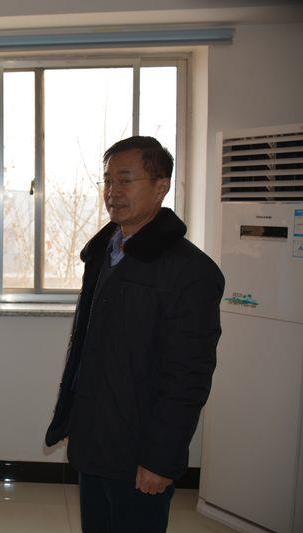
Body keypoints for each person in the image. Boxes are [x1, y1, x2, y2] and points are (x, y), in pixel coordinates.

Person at [45, 136, 224, 533]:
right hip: (94, 440)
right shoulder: (105, 253)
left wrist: (161, 458)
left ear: (161, 187)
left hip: (140, 449)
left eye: (125, 180)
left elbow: (188, 376)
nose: (113, 192)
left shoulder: (190, 272)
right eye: (108, 181)